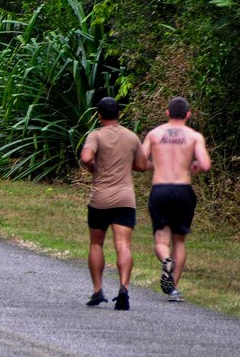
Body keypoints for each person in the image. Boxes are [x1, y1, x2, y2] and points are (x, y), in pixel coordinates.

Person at [140, 96, 211, 302]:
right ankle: (173, 289)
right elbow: (205, 164)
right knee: (179, 240)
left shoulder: (155, 134)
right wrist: (193, 166)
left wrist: (157, 164)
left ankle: (166, 259)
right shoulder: (194, 136)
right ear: (188, 115)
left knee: (161, 239)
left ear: (167, 113)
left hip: (160, 189)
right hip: (183, 190)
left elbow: (141, 162)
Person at [79, 97, 146, 311]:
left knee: (96, 243)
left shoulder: (96, 136)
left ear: (99, 115)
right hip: (125, 199)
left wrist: (94, 167)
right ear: (119, 114)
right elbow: (142, 165)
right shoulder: (131, 137)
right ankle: (123, 287)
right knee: (123, 245)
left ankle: (98, 290)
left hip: (100, 199)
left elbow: (86, 157)